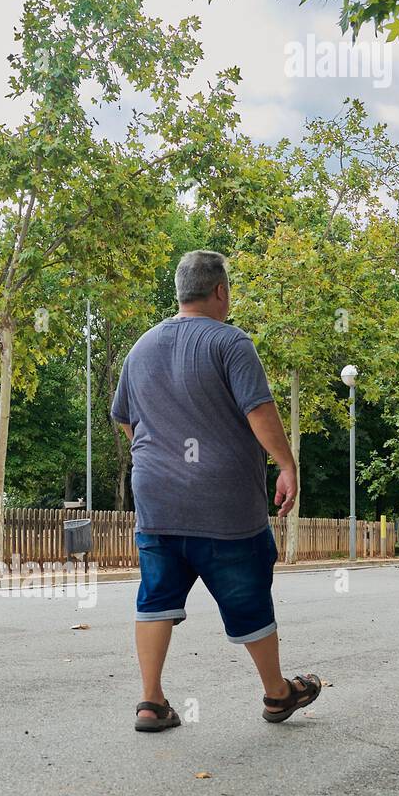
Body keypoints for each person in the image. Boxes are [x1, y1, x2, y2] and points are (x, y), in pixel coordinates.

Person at [110, 249, 321, 732]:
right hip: (223, 502)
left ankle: (150, 702)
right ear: (221, 291)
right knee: (247, 592)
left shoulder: (140, 348)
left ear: (181, 292)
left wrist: (159, 452)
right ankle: (276, 694)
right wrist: (286, 464)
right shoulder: (231, 342)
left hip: (158, 502)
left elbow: (124, 418)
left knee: (156, 597)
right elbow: (260, 411)